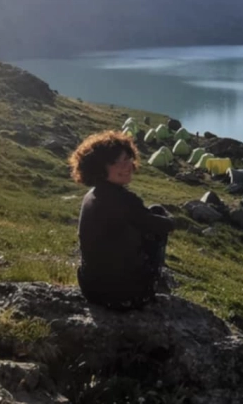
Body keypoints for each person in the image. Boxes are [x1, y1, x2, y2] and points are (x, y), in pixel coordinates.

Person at [69, 130, 175, 310]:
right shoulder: (123, 200)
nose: (128, 166)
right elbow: (163, 225)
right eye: (119, 162)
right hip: (122, 295)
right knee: (158, 217)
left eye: (128, 159)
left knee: (149, 215)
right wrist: (172, 221)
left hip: (92, 290)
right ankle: (153, 285)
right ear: (100, 167)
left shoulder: (92, 195)